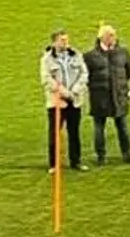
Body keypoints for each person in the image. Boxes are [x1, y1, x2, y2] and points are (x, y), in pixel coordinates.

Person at [84, 24, 130, 165]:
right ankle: (101, 156)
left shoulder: (123, 53)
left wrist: (121, 87)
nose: (113, 37)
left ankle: (127, 153)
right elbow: (85, 77)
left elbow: (129, 71)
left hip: (119, 96)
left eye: (114, 34)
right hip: (100, 98)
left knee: (122, 126)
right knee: (99, 128)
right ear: (101, 37)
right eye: (109, 35)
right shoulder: (90, 56)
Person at [41, 30, 89, 173]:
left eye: (66, 39)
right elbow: (46, 79)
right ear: (54, 42)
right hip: (56, 103)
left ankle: (76, 161)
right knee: (55, 133)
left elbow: (84, 73)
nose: (65, 42)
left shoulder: (76, 54)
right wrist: (63, 92)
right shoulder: (47, 59)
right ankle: (54, 164)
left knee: (74, 132)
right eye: (62, 40)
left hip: (75, 100)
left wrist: (75, 90)